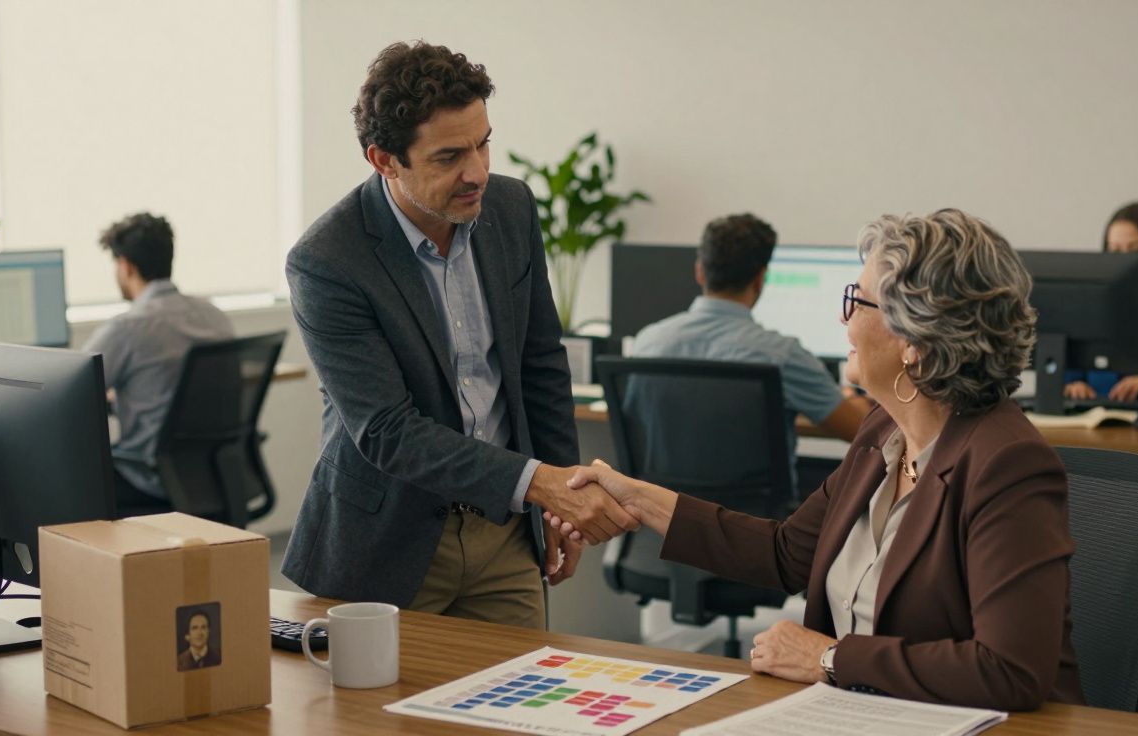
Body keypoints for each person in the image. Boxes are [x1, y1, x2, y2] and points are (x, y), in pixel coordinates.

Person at [550, 210, 1085, 710]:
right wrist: (636, 496)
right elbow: (787, 554)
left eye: (858, 299)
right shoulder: (883, 431)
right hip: (869, 714)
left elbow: (1010, 671)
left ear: (914, 340)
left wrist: (828, 658)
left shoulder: (1007, 465)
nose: (842, 315)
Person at [283, 41, 635, 629]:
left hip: (505, 534)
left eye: (483, 142)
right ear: (384, 159)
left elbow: (539, 360)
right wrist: (542, 485)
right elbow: (387, 431)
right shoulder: (328, 260)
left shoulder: (512, 207)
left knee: (523, 712)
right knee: (380, 721)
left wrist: (559, 504)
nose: (477, 172)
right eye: (448, 156)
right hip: (388, 538)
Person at [632, 213, 872, 486]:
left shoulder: (646, 343)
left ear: (700, 271)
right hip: (751, 523)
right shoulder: (782, 355)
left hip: (660, 517)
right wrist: (853, 398)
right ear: (761, 278)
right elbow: (861, 430)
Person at [84, 212, 234, 510]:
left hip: (149, 480)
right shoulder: (214, 314)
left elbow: (69, 392)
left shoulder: (127, 328)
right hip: (213, 476)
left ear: (125, 266)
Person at [1064, 201, 1138, 401]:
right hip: (1102, 423)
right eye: (1115, 251)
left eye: (1136, 251)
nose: (1125, 262)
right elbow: (1066, 380)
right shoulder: (1092, 309)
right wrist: (1074, 389)